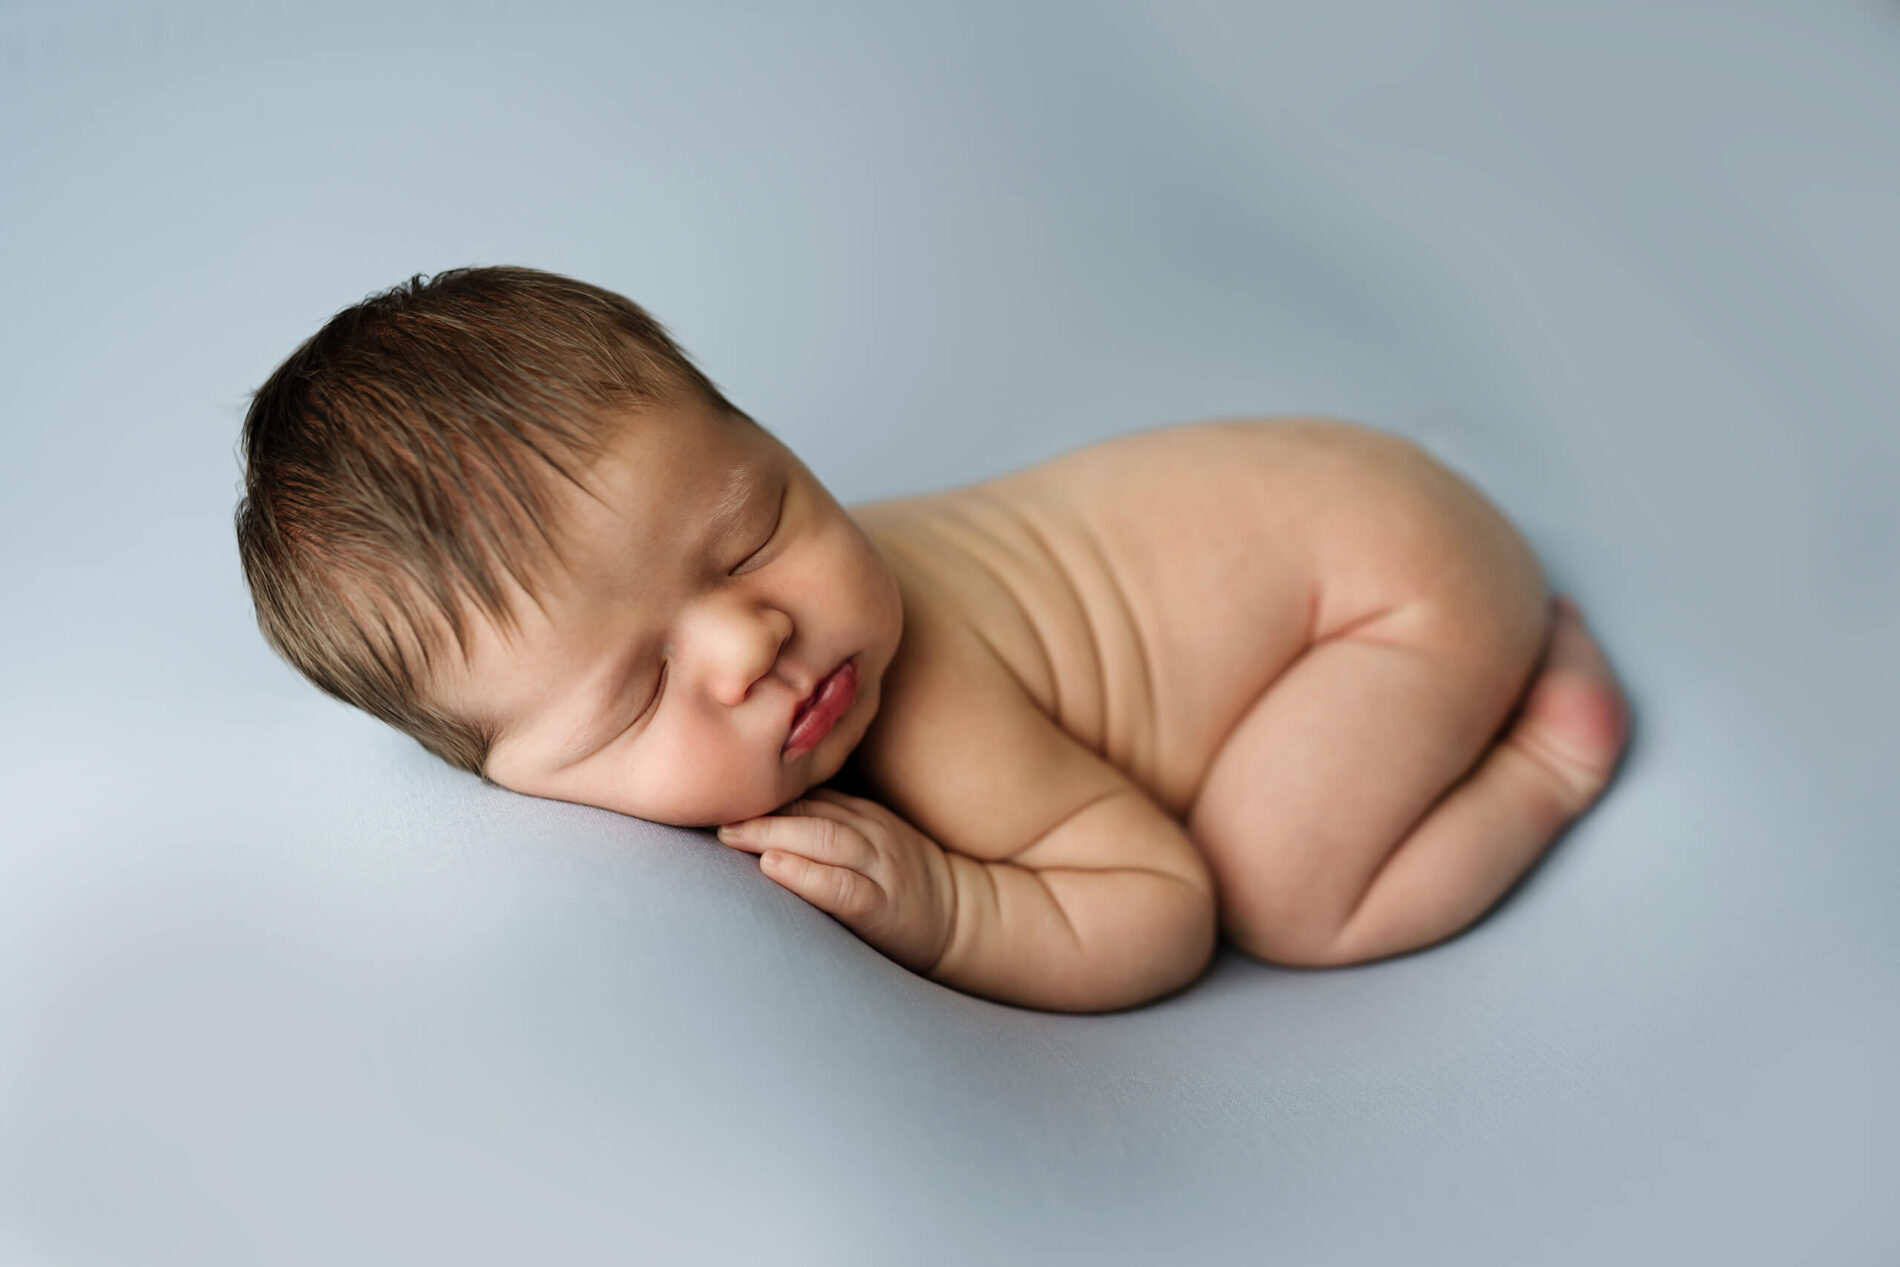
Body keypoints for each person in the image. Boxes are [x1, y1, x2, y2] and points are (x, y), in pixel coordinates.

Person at [236, 266, 1630, 1013]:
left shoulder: (930, 701)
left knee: (1282, 895)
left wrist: (954, 906)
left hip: (1388, 593)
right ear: (507, 775)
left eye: (755, 530)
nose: (750, 639)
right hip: (1342, 482)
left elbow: (1162, 908)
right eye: (643, 687)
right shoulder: (762, 643)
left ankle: (1545, 763)